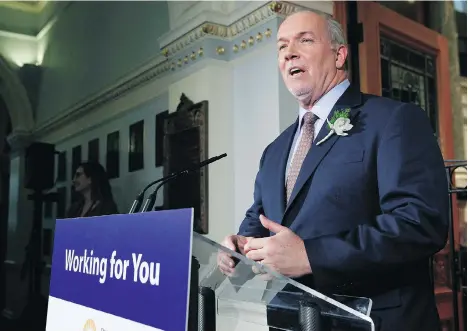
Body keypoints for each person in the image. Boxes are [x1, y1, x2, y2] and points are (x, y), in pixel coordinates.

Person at [218, 10, 448, 331]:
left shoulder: (393, 120)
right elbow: (259, 221)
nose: (289, 52)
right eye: (282, 47)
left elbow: (420, 223)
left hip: (377, 319)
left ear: (339, 55)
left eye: (305, 40)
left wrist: (312, 256)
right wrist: (239, 249)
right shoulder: (275, 151)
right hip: (292, 320)